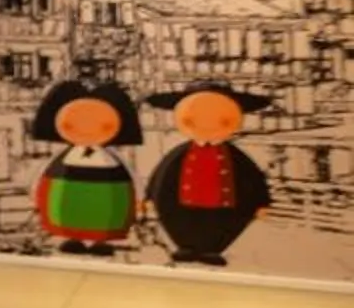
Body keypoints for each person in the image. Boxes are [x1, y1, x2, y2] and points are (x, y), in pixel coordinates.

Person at [142, 82, 274, 267]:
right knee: (184, 222)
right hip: (183, 203)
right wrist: (150, 196)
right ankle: (185, 246)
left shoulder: (236, 158)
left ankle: (213, 249)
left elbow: (253, 178)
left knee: (218, 225)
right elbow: (163, 174)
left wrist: (262, 202)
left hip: (223, 204)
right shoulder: (179, 154)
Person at [28, 77, 140, 255]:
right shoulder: (64, 157)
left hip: (108, 193)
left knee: (102, 214)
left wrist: (139, 200)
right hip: (69, 193)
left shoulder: (111, 157)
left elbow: (133, 178)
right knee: (72, 213)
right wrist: (36, 197)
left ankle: (100, 241)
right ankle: (73, 238)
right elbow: (41, 176)